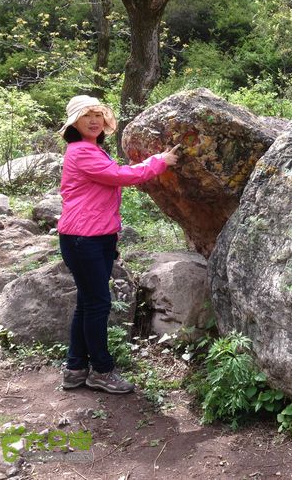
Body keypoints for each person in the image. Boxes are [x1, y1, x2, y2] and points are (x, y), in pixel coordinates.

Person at [57, 95, 179, 394]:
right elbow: (120, 176)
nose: (95, 120)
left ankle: (75, 368)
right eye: (87, 116)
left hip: (92, 236)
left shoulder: (91, 149)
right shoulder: (81, 152)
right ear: (75, 122)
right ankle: (101, 370)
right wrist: (159, 162)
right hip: (83, 238)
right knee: (97, 304)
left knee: (88, 304)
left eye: (98, 114)